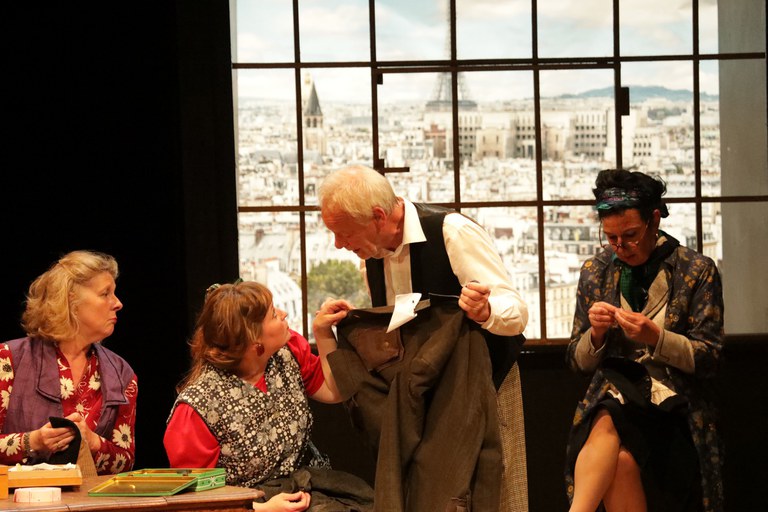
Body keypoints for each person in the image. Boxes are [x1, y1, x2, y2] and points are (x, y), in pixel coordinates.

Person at [318, 164, 529, 511]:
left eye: (344, 233)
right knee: (431, 494)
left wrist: (486, 310)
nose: (339, 245)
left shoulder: (451, 232)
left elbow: (517, 313)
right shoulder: (370, 257)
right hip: (423, 395)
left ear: (377, 216)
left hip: (484, 382)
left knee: (497, 491)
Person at [564, 169, 725, 512]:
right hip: (616, 397)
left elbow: (709, 357)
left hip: (676, 404)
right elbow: (577, 362)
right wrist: (596, 334)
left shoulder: (695, 270)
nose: (620, 247)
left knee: (610, 420)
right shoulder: (596, 271)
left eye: (630, 235)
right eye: (611, 238)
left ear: (654, 220)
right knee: (614, 431)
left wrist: (656, 337)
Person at [164, 280, 373, 511]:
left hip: (305, 490)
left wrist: (323, 333)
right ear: (255, 341)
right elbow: (194, 502)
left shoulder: (288, 353)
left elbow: (334, 390)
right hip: (246, 505)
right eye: (274, 314)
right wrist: (260, 509)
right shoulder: (198, 408)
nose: (283, 314)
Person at [0, 250, 137, 474]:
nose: (118, 303)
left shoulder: (122, 374)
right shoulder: (9, 360)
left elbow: (126, 461)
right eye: (105, 293)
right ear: (71, 300)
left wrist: (93, 442)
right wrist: (32, 441)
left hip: (90, 496)